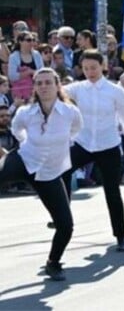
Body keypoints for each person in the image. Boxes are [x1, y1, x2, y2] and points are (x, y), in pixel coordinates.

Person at [2, 67, 82, 280]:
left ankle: (53, 263)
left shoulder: (70, 112)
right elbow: (17, 130)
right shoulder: (25, 112)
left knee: (65, 225)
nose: (44, 87)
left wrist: (61, 145)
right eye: (40, 83)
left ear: (58, 86)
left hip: (50, 171)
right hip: (24, 160)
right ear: (34, 88)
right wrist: (26, 144)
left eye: (48, 82)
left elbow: (76, 130)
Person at [61, 49, 124, 251]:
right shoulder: (78, 88)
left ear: (103, 66)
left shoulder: (115, 91)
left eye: (93, 67)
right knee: (61, 171)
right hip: (83, 143)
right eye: (85, 68)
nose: (90, 72)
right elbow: (58, 92)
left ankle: (120, 235)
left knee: (112, 191)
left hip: (108, 145)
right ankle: (62, 215)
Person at [7, 31, 44, 101]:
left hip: (36, 90)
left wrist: (31, 71)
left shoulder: (37, 54)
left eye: (33, 40)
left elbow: (42, 72)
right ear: (20, 41)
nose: (32, 42)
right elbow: (12, 76)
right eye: (28, 40)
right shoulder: (13, 56)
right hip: (20, 93)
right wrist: (28, 73)